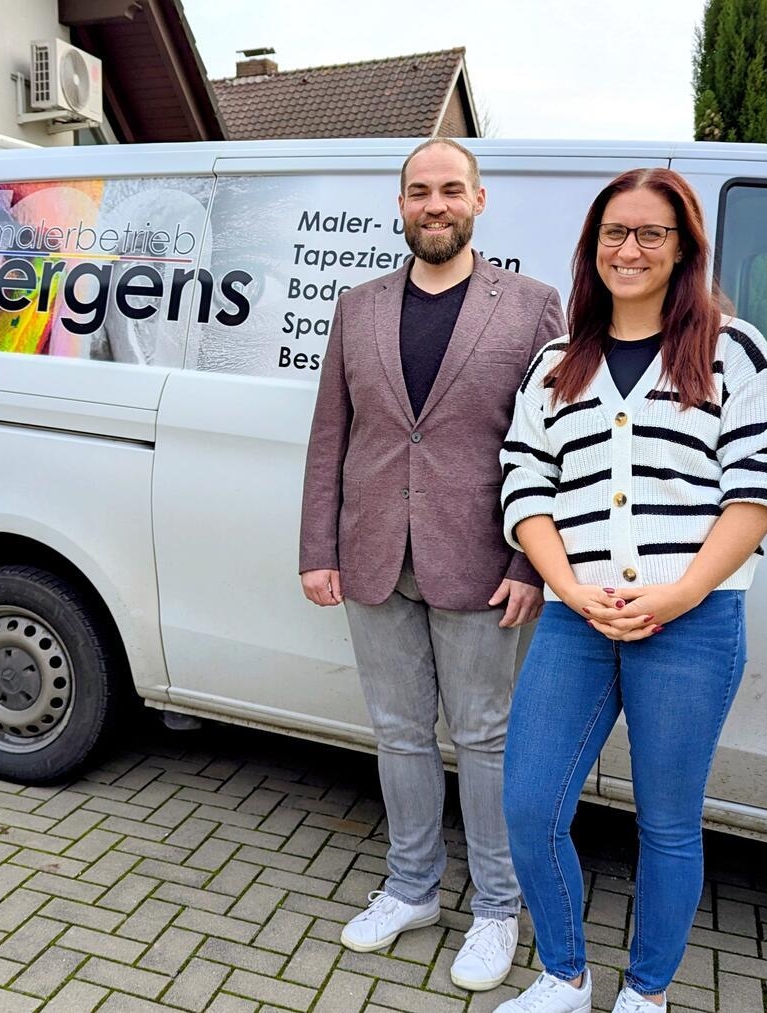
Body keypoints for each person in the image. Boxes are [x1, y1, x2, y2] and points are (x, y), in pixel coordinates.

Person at [496, 168, 767, 1013]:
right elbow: (525, 483)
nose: (629, 249)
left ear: (682, 248)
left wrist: (680, 591)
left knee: (666, 822)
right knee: (529, 801)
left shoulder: (732, 350)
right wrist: (566, 584)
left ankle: (647, 993)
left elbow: (762, 487)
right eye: (613, 234)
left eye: (650, 234)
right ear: (593, 249)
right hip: (576, 618)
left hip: (694, 622)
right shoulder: (557, 364)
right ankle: (563, 974)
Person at [299, 137, 565, 992]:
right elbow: (329, 438)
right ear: (402, 204)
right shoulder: (358, 306)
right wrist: (318, 547)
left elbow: (554, 444)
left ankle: (496, 907)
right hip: (373, 554)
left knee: (486, 739)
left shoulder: (529, 306)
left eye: (452, 189)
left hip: (487, 564)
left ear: (479, 201)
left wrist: (533, 559)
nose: (435, 204)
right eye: (420, 191)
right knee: (399, 732)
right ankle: (411, 887)